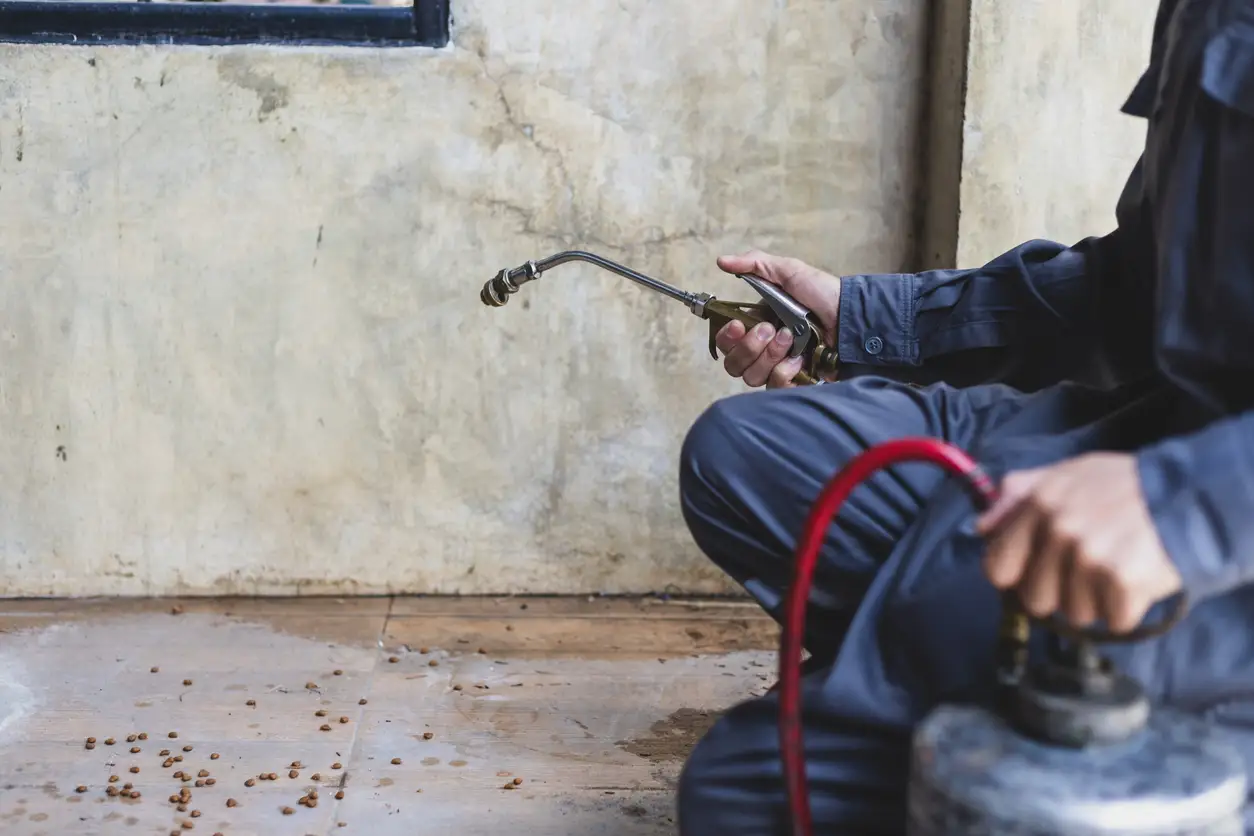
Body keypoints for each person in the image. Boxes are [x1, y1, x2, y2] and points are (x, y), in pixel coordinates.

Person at [675, 0, 1254, 833]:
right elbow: (1136, 287)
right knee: (738, 455)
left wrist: (1184, 507)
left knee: (746, 790)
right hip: (1150, 438)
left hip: (1214, 540)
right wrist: (867, 319)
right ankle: (934, 673)